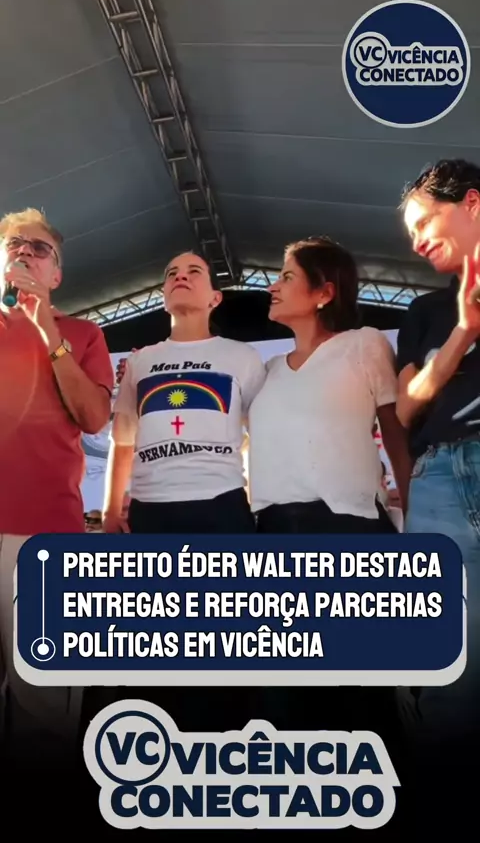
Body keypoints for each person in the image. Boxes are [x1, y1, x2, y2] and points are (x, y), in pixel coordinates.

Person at [247, 237, 411, 764]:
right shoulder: (269, 372)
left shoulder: (364, 344)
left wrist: (415, 513)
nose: (273, 286)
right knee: (284, 695)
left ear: (324, 292)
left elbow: (395, 432)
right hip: (273, 538)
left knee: (360, 693)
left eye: (286, 276)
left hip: (348, 531)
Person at [102, 250, 266, 730]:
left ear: (215, 297)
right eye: (172, 272)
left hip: (222, 508)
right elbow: (123, 440)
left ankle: (227, 743)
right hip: (152, 513)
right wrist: (111, 509)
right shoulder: (142, 361)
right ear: (162, 296)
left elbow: (263, 435)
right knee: (156, 640)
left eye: (194, 271)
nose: (181, 276)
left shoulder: (241, 357)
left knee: (225, 638)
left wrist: (258, 503)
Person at [0, 208, 113, 775]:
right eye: (15, 244)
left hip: (46, 536)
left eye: (39, 248)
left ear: (57, 273)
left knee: (43, 699)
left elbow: (94, 418)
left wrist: (48, 332)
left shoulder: (84, 334)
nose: (25, 252)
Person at [396, 159, 480, 750]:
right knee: (451, 662)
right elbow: (404, 407)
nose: (417, 242)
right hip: (439, 482)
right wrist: (463, 332)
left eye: (424, 222)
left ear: (472, 204)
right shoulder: (425, 311)